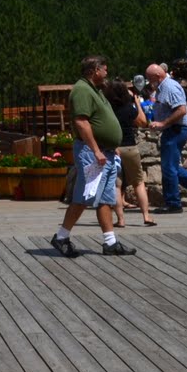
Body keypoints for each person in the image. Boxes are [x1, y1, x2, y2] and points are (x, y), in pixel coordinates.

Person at [48, 55, 135, 258]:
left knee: (105, 199)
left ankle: (110, 242)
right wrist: (96, 150)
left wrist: (111, 146)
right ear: (95, 70)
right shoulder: (82, 90)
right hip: (93, 153)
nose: (106, 73)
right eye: (104, 69)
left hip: (106, 152)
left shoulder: (95, 90)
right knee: (84, 197)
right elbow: (81, 122)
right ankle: (61, 237)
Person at [145, 63, 187, 214]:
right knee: (172, 167)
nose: (148, 82)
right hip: (173, 130)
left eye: (149, 78)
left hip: (175, 130)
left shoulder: (169, 87)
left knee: (169, 168)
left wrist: (163, 123)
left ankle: (173, 203)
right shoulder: (163, 88)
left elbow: (181, 110)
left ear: (157, 76)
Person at [104, 79, 157, 228]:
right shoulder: (128, 107)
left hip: (114, 148)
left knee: (116, 185)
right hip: (130, 147)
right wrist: (137, 103)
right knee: (138, 182)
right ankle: (146, 216)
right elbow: (143, 122)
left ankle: (120, 220)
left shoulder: (107, 108)